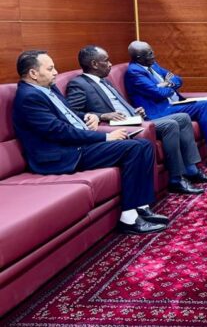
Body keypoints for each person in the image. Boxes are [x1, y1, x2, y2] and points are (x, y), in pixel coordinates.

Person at [12, 50, 169, 235]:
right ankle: (129, 218)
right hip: (61, 155)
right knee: (133, 148)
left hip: (78, 144)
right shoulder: (29, 97)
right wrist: (105, 137)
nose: (56, 72)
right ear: (33, 73)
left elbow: (68, 114)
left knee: (143, 145)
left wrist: (90, 115)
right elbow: (59, 131)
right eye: (50, 68)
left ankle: (141, 207)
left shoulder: (47, 88)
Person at [67, 45, 207, 195]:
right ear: (94, 64)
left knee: (183, 118)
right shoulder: (78, 84)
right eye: (106, 60)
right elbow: (72, 114)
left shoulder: (105, 81)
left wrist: (134, 110)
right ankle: (176, 179)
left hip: (133, 118)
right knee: (170, 125)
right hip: (116, 126)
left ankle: (191, 170)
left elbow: (119, 104)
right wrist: (101, 116)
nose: (110, 64)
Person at [124, 41, 207, 168]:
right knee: (205, 106)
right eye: (149, 54)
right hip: (160, 110)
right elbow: (159, 93)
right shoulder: (134, 72)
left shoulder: (152, 64)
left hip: (174, 103)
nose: (153, 56)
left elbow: (177, 79)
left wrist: (166, 84)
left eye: (152, 52)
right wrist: (166, 85)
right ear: (139, 58)